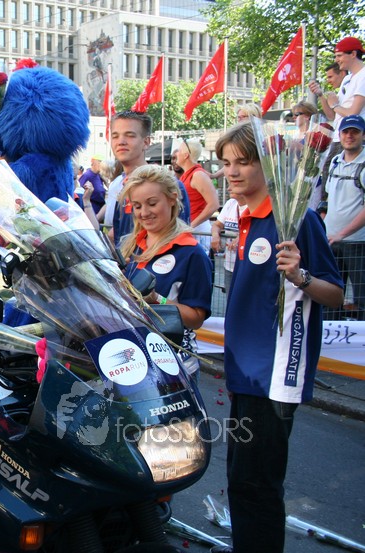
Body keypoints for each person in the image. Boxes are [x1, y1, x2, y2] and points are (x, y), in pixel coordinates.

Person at [210, 122, 344, 553]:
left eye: (243, 162)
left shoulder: (297, 219)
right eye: (226, 163)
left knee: (257, 484)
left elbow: (336, 293)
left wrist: (300, 276)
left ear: (268, 166)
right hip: (244, 370)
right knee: (241, 479)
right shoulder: (240, 218)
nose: (231, 172)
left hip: (274, 372)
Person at [120, 165, 212, 380]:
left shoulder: (192, 253)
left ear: (172, 199)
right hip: (133, 360)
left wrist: (156, 299)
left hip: (174, 366)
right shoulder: (129, 246)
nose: (144, 213)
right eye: (137, 206)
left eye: (152, 203)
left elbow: (196, 319)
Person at [106, 110, 191, 246]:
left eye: (130, 135)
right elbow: (119, 236)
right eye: (115, 136)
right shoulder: (119, 185)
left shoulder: (168, 184)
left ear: (146, 142)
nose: (121, 142)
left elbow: (181, 239)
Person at [323, 114, 365, 320]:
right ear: (339, 135)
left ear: (363, 135)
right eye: (345, 132)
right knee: (330, 298)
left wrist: (343, 233)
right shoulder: (334, 161)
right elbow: (328, 197)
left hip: (358, 244)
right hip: (332, 241)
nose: (349, 136)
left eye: (354, 132)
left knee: (362, 299)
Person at [310, 37, 365, 190]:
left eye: (339, 55)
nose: (336, 60)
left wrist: (335, 105)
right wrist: (321, 95)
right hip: (338, 137)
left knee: (349, 184)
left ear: (353, 54)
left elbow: (353, 113)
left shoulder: (363, 76)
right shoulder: (347, 79)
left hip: (353, 138)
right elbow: (332, 116)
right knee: (329, 179)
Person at [174, 137, 219, 250]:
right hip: (190, 229)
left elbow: (214, 204)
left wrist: (192, 225)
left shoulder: (198, 175)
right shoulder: (188, 175)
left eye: (179, 151)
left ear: (186, 155)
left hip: (197, 231)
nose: (176, 154)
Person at [211, 188, 245, 298]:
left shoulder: (253, 205)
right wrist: (215, 236)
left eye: (234, 185)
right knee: (230, 300)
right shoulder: (231, 203)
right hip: (229, 265)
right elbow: (217, 225)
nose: (229, 188)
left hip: (245, 266)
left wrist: (242, 237)